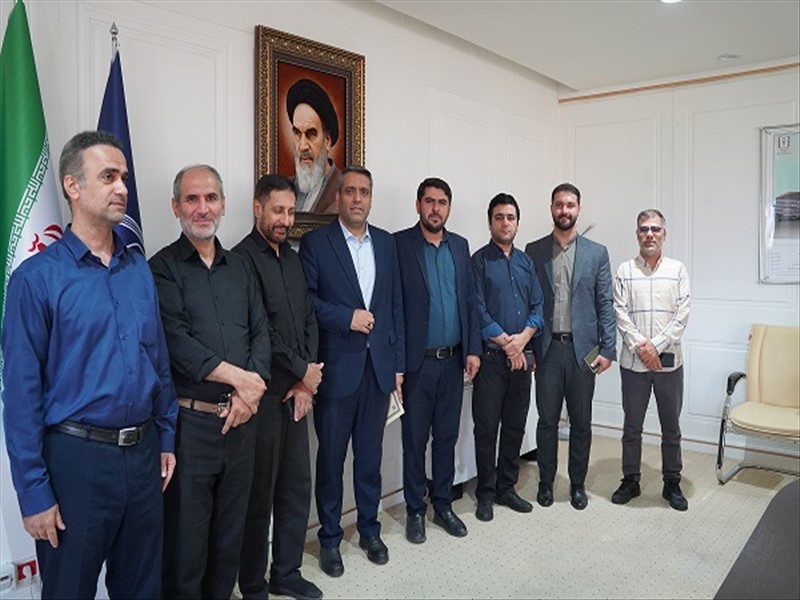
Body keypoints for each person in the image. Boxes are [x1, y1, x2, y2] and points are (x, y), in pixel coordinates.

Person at [1, 131, 178, 598]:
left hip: (143, 456)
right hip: (76, 463)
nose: (122, 188)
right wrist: (34, 493)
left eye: (124, 178)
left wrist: (166, 436)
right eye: (108, 176)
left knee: (142, 589)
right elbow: (20, 395)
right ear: (72, 186)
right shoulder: (36, 280)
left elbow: (157, 362)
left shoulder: (137, 269)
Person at [149, 164, 271, 599]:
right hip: (192, 427)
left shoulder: (240, 267)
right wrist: (243, 381)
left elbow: (261, 332)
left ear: (223, 204)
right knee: (186, 543)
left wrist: (247, 399)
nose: (202, 208)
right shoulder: (161, 268)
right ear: (175, 207)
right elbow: (176, 341)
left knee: (228, 538)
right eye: (192, 199)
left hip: (242, 424)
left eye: (211, 198)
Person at [299, 166, 405, 577]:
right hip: (337, 371)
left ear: (371, 198)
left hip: (378, 372)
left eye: (364, 192)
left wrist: (397, 366)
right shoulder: (316, 243)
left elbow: (394, 305)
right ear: (338, 197)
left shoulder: (387, 243)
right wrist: (347, 318)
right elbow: (307, 302)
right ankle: (329, 539)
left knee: (369, 460)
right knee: (330, 462)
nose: (357, 199)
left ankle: (369, 530)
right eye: (350, 192)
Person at [233, 174, 323, 599]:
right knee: (259, 495)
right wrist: (301, 370)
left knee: (295, 488)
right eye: (278, 211)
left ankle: (286, 572)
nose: (286, 219)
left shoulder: (293, 258)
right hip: (264, 398)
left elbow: (308, 318)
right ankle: (252, 583)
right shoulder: (240, 260)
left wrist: (307, 381)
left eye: (290, 211)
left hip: (297, 397)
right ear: (258, 209)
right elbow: (260, 331)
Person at [394, 177, 482, 543]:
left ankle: (443, 504)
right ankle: (416, 510)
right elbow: (394, 307)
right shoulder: (399, 245)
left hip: (454, 361)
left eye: (442, 202)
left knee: (446, 437)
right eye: (429, 201)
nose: (435, 208)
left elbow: (470, 301)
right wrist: (397, 365)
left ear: (449, 208)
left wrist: (473, 349)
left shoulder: (460, 246)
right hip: (418, 364)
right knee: (415, 441)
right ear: (418, 205)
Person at [525, 183, 616, 511]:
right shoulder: (534, 250)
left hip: (584, 352)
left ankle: (577, 485)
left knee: (581, 422)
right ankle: (546, 482)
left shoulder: (597, 253)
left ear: (578, 209)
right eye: (559, 204)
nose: (564, 210)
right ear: (552, 208)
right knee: (547, 421)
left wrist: (608, 349)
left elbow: (605, 303)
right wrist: (528, 349)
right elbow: (528, 302)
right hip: (547, 350)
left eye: (570, 205)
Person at [471, 193, 544, 522]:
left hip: (521, 360)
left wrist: (523, 339)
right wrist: (506, 343)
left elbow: (538, 306)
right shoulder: (478, 261)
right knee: (487, 428)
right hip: (491, 360)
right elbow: (477, 309)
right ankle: (485, 493)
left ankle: (506, 488)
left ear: (517, 222)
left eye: (510, 217)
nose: (505, 223)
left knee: (514, 426)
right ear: (490, 222)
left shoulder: (526, 262)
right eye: (499, 217)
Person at [612, 209, 691, 511]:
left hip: (669, 365)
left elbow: (682, 315)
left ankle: (672, 482)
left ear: (664, 234)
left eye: (655, 229)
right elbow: (620, 313)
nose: (649, 234)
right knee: (632, 427)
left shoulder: (677, 270)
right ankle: (630, 480)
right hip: (633, 365)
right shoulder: (625, 271)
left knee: (671, 428)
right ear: (637, 234)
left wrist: (655, 347)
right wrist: (641, 348)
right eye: (644, 229)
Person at [286, 78, 341, 213]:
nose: (302, 146)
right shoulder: (285, 189)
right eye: (297, 133)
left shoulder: (343, 190)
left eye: (311, 134)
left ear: (327, 140)